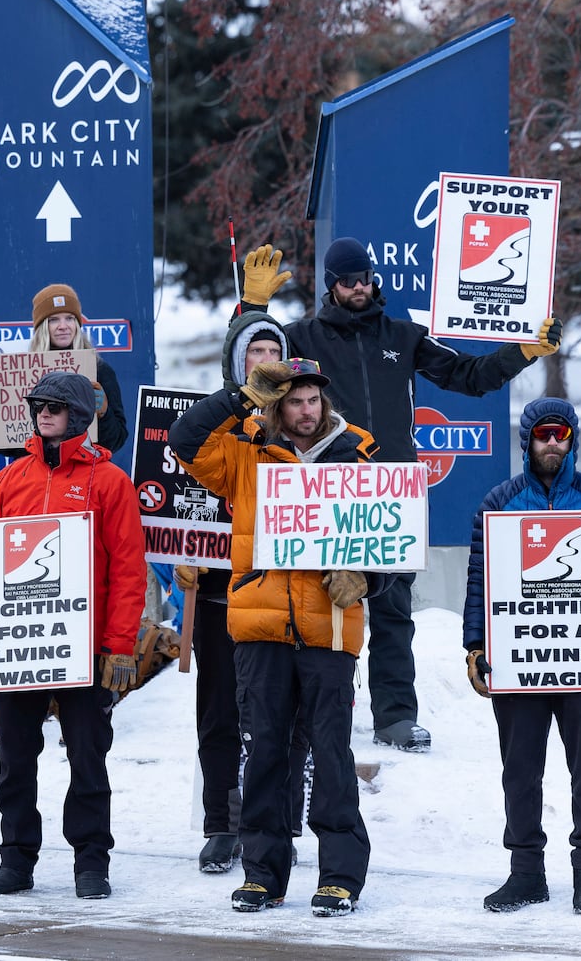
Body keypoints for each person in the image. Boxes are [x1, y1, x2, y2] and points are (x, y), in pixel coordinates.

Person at [241, 238, 563, 751]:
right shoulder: (301, 337)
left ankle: (395, 716)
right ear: (331, 285)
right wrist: (253, 307)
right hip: (326, 487)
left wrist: (522, 352)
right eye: (349, 281)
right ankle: (320, 717)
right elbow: (250, 365)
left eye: (367, 278)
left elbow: (468, 376)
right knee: (320, 605)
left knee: (393, 607)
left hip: (392, 490)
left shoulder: (404, 336)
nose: (361, 288)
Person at [171, 357, 378, 916]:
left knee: (331, 754)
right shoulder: (245, 451)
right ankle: (263, 874)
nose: (306, 411)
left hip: (330, 629)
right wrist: (240, 396)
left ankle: (339, 876)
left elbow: (394, 533)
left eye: (313, 400)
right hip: (260, 624)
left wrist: (369, 577)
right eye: (293, 400)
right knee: (264, 751)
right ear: (276, 404)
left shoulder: (359, 451)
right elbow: (184, 440)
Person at [0, 372, 144, 900]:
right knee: (14, 758)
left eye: (55, 406)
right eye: (39, 405)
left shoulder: (110, 483)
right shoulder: (10, 478)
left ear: (80, 414)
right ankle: (15, 859)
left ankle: (91, 863)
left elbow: (128, 570)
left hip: (85, 651)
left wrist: (121, 646)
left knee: (87, 756)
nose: (43, 413)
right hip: (17, 647)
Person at [463, 397, 581, 915]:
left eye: (560, 435)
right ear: (527, 440)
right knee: (520, 771)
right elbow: (480, 583)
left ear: (572, 440)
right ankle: (526, 874)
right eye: (543, 435)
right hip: (519, 664)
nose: (551, 444)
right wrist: (474, 646)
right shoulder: (499, 502)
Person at [175, 309, 294, 874]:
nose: (265, 363)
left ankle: (279, 821)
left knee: (280, 717)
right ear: (237, 364)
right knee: (220, 715)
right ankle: (221, 823)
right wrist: (183, 554)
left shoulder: (307, 426)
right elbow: (183, 448)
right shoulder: (221, 423)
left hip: (289, 597)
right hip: (222, 594)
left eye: (274, 353)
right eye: (254, 353)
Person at [28, 283, 128, 453]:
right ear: (42, 327)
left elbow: (116, 440)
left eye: (69, 318)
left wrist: (104, 414)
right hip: (38, 472)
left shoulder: (100, 370)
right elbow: (12, 444)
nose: (63, 326)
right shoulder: (25, 370)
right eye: (53, 320)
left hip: (86, 471)